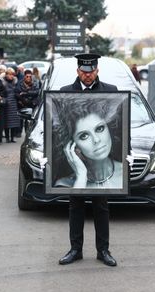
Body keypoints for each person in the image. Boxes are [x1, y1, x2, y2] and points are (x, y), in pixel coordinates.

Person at [58, 53, 118, 267]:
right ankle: (75, 250)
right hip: (79, 164)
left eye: (91, 71)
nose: (88, 75)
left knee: (101, 207)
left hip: (103, 167)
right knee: (75, 207)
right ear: (78, 72)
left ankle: (103, 250)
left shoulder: (110, 91)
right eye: (84, 72)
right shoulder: (64, 93)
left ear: (97, 70)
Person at [53, 98, 123, 189]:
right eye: (84, 136)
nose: (96, 140)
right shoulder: (64, 184)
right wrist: (81, 176)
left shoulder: (128, 173)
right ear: (73, 146)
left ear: (109, 129)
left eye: (100, 128)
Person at [1, 67, 20, 143]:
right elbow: (2, 93)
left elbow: (18, 91)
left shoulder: (15, 82)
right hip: (6, 103)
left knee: (14, 121)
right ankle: (7, 137)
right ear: (6, 75)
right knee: (7, 121)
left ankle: (12, 137)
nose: (11, 76)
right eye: (10, 74)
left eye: (12, 74)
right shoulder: (3, 82)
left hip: (14, 103)